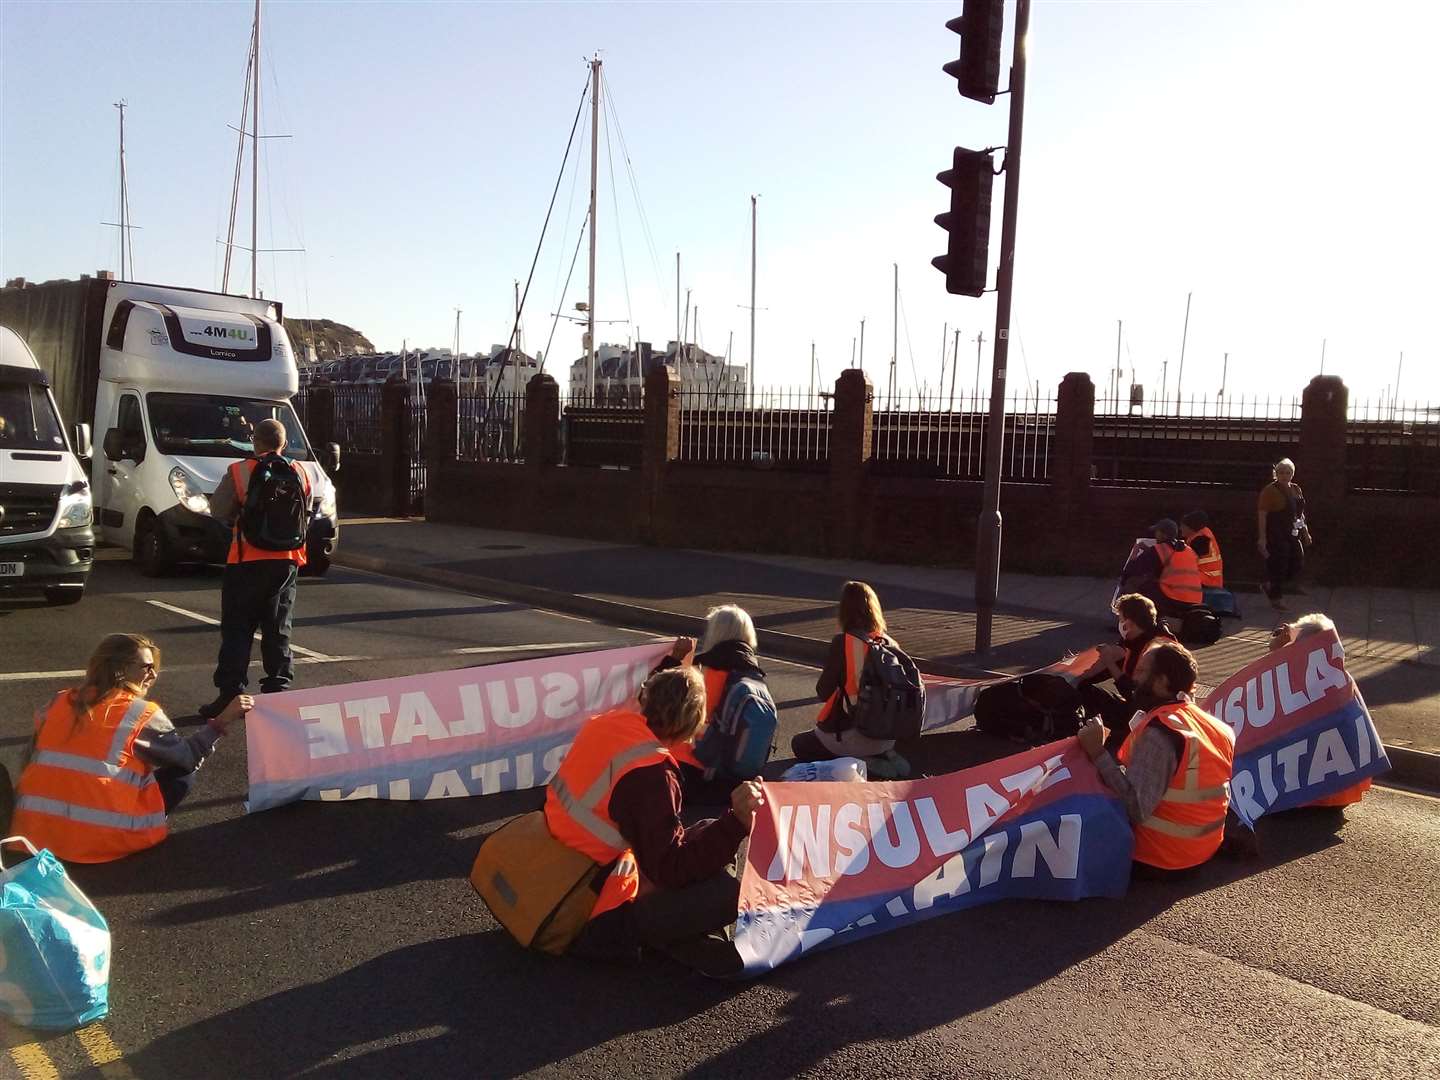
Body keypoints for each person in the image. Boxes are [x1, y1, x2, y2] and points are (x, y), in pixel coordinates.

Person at [548, 666, 764, 977]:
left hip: (563, 871)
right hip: (594, 910)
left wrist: (724, 828)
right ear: (691, 721)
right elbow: (670, 870)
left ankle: (682, 937)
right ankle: (681, 942)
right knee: (734, 892)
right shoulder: (651, 772)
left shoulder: (606, 725)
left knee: (706, 830)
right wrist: (738, 822)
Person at [9, 634, 250, 863]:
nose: (153, 674)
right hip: (100, 839)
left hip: (34, 836)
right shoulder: (140, 713)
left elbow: (31, 756)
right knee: (182, 775)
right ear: (119, 669)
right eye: (146, 667)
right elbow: (186, 758)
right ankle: (138, 826)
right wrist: (220, 723)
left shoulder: (59, 701)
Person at [1077, 642, 1235, 876]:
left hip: (1160, 858)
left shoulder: (1160, 734)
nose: (1133, 678)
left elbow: (1135, 808)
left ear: (1161, 682)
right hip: (1202, 849)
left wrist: (1097, 752)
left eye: (1141, 671)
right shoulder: (1214, 725)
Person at [200, 417, 312, 718]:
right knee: (278, 626)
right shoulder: (299, 471)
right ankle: (277, 690)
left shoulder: (239, 471)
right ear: (284, 443)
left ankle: (230, 693)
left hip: (246, 560)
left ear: (254, 442)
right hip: (287, 561)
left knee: (238, 628)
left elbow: (220, 510)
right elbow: (307, 508)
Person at [790, 581, 910, 780]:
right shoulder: (891, 644)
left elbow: (823, 691)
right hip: (888, 735)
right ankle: (884, 753)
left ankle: (862, 760)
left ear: (844, 611)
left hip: (854, 732)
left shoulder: (843, 643)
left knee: (800, 744)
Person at [655, 605, 771, 802]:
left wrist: (674, 660)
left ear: (716, 632)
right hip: (734, 775)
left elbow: (664, 702)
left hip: (696, 770)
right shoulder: (755, 675)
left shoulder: (716, 672)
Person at [1268, 613, 1371, 809]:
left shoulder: (1290, 682)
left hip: (1307, 798)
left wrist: (1275, 648)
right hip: (1344, 792)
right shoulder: (1341, 678)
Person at [1078, 593, 1177, 753]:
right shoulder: (1137, 640)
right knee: (1084, 689)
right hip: (1145, 709)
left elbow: (1136, 695)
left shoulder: (1156, 651)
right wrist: (1079, 678)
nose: (1120, 623)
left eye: (1121, 619)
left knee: (1091, 697)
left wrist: (1110, 662)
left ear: (1129, 623)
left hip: (1154, 715)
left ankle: (1120, 737)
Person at [1119, 518, 1202, 619]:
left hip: (1174, 599)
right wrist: (1149, 552)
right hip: (1195, 601)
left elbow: (1130, 570)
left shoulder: (1159, 549)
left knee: (1132, 582)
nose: (1155, 535)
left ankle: (1130, 621)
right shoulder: (1189, 550)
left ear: (1164, 535)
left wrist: (1136, 551)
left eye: (1157, 532)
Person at [1257, 458, 1311, 612]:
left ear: (1292, 474)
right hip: (1276, 532)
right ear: (1276, 473)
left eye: (1288, 472)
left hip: (1293, 532)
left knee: (1297, 562)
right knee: (1279, 563)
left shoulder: (1296, 489)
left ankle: (1270, 584)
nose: (1284, 475)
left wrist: (1305, 531)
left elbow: (1300, 514)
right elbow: (1262, 514)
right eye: (1281, 472)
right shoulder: (1269, 491)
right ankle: (1276, 597)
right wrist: (1262, 538)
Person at [1181, 510, 1224, 590]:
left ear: (1191, 527)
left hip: (1207, 581)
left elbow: (1185, 561)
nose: (1181, 529)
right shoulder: (1203, 534)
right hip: (1211, 580)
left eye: (1183, 526)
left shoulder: (1200, 540)